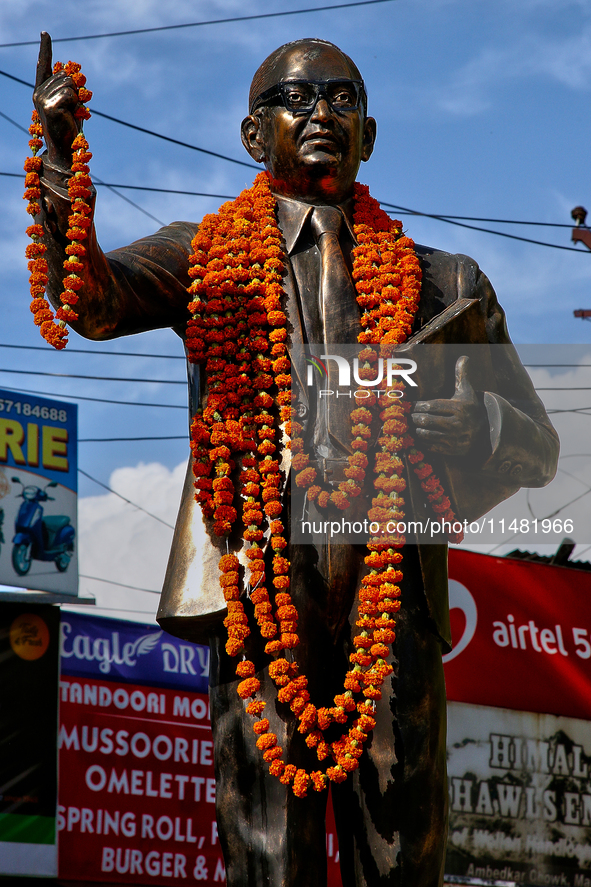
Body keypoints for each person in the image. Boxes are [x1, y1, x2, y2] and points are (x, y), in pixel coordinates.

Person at [33, 34, 558, 887]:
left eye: (342, 98)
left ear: (371, 132)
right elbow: (88, 299)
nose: (322, 113)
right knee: (266, 849)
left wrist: (484, 422)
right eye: (299, 97)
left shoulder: (446, 282)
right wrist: (59, 160)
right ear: (252, 135)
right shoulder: (204, 257)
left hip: (389, 587)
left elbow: (542, 446)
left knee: (399, 851)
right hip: (260, 576)